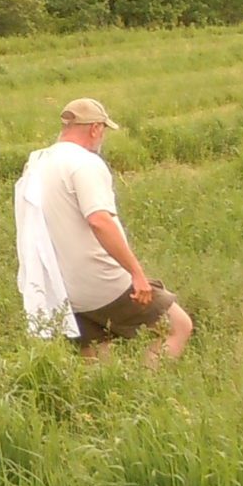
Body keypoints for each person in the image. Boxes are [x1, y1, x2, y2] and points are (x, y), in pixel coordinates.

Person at [23, 97, 193, 360]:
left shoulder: (37, 165)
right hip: (102, 283)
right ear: (94, 128)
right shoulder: (85, 163)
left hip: (62, 289)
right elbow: (99, 220)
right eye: (103, 129)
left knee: (98, 360)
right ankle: (148, 391)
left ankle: (111, 399)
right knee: (179, 326)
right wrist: (136, 273)